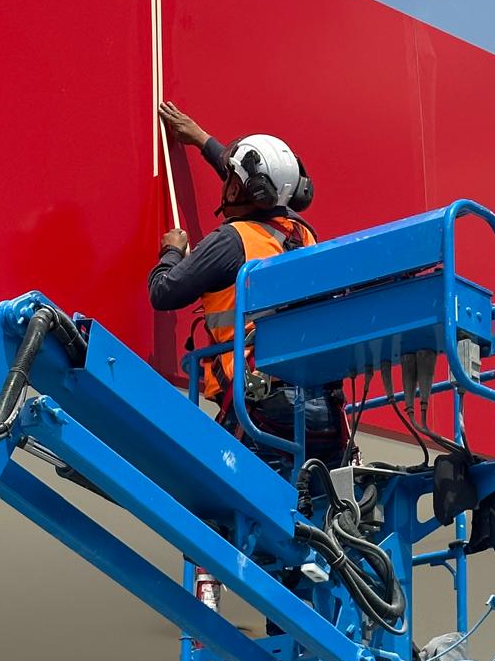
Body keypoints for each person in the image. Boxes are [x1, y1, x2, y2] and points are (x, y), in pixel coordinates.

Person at [148, 101, 347, 471]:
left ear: (238, 189)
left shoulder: (231, 241)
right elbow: (258, 191)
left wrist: (172, 252)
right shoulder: (304, 236)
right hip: (325, 415)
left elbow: (163, 293)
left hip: (259, 410)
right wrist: (202, 139)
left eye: (230, 179)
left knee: (205, 488)